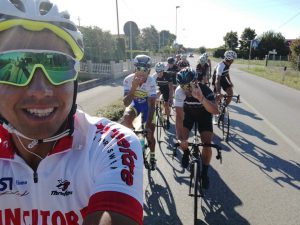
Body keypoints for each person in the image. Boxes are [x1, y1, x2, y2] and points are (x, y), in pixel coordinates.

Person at [0, 1, 143, 225]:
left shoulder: (110, 143)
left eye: (58, 65)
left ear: (75, 76)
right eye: (11, 65)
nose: (40, 91)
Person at [174, 68, 218, 189]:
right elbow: (179, 116)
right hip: (188, 115)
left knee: (207, 144)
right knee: (183, 139)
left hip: (204, 115)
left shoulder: (205, 90)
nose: (186, 89)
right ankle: (186, 153)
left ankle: (204, 173)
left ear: (195, 82)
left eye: (188, 85)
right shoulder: (179, 92)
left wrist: (201, 99)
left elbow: (216, 111)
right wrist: (179, 138)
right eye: (182, 86)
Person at [121, 54, 157, 170]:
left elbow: (152, 104)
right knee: (125, 119)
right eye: (138, 68)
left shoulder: (151, 81)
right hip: (135, 105)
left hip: (148, 107)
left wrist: (147, 126)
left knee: (150, 133)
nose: (141, 72)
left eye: (145, 69)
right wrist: (133, 88)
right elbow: (126, 103)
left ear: (149, 70)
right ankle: (134, 138)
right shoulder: (128, 80)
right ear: (134, 68)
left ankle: (152, 156)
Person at [151, 62, 173, 129]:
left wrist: (170, 97)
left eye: (160, 71)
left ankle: (168, 119)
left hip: (167, 89)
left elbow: (171, 88)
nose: (158, 73)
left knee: (166, 105)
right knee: (153, 100)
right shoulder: (154, 76)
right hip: (159, 89)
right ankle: (157, 111)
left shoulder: (168, 75)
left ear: (163, 70)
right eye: (157, 71)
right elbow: (152, 88)